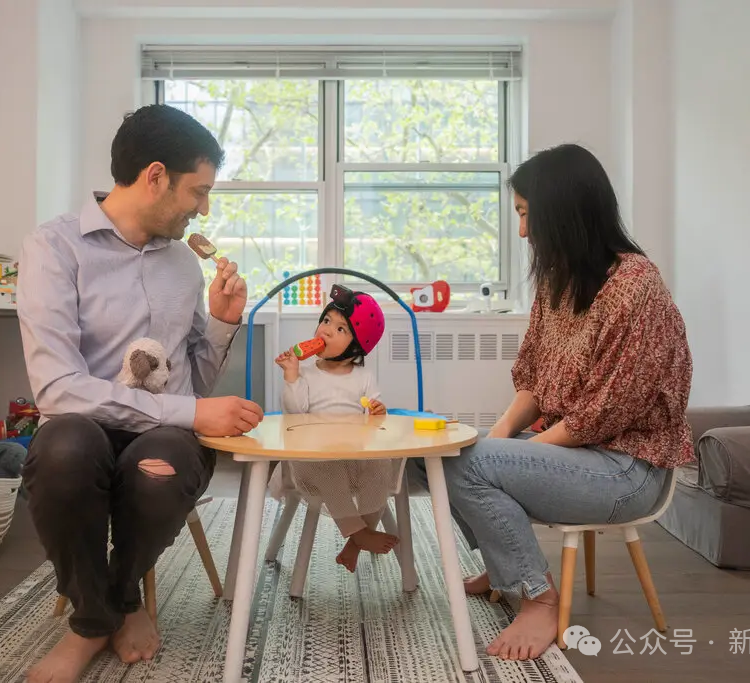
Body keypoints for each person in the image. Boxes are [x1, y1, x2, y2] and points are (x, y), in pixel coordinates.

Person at [408, 143, 694, 662]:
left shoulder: (636, 288)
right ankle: (504, 563)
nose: (522, 232)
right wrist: (494, 442)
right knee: (437, 452)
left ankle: (537, 597)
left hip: (627, 470)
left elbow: (599, 416)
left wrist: (501, 456)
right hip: (575, 451)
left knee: (466, 461)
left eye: (525, 214)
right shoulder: (558, 281)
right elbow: (534, 383)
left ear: (562, 211)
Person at [16, 104, 264, 683]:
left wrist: (222, 324)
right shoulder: (54, 248)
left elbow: (192, 383)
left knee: (160, 467)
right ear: (155, 176)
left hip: (162, 436)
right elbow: (57, 389)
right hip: (82, 428)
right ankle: (94, 619)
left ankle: (122, 595)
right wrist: (192, 410)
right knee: (64, 449)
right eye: (199, 191)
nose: (204, 209)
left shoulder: (184, 265)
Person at [269, 283, 400, 572]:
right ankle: (359, 533)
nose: (327, 331)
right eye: (326, 321)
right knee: (328, 468)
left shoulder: (364, 376)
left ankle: (355, 542)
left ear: (356, 347)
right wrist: (291, 376)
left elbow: (375, 415)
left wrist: (378, 411)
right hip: (311, 461)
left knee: (382, 465)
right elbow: (294, 412)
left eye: (340, 329)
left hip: (353, 457)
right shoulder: (305, 374)